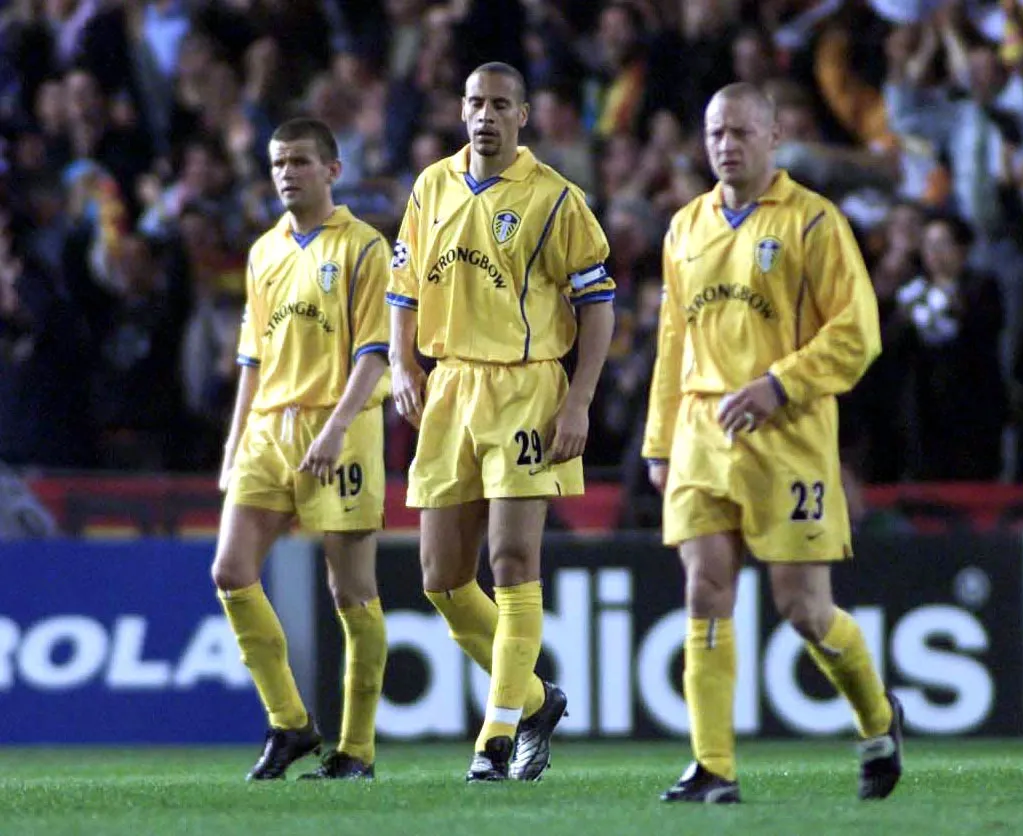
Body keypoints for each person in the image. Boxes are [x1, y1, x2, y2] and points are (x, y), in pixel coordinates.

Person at [642, 83, 904, 805]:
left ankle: (878, 719)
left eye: (741, 132)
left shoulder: (814, 223)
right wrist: (659, 441)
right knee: (704, 590)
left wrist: (779, 384)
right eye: (715, 132)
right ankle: (713, 767)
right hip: (699, 433)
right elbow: (673, 341)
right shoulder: (684, 226)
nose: (727, 145)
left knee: (803, 609)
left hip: (785, 436)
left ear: (774, 135)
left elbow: (858, 334)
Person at [387, 62, 615, 782]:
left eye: (500, 105)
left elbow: (598, 305)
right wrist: (401, 363)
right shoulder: (432, 187)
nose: (486, 116)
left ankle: (496, 734)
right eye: (476, 103)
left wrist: (578, 398)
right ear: (462, 110)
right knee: (442, 580)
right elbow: (402, 287)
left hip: (525, 388)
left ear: (524, 116)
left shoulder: (555, 199)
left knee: (512, 561)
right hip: (450, 386)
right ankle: (539, 700)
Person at [212, 118, 392, 781]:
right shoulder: (263, 252)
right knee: (231, 572)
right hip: (268, 427)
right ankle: (289, 723)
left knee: (351, 591)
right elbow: (252, 359)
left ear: (332, 171)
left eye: (300, 162)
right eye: (278, 164)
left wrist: (338, 426)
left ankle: (357, 750)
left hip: (338, 427)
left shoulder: (365, 248)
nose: (287, 174)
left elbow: (377, 353)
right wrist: (233, 444)